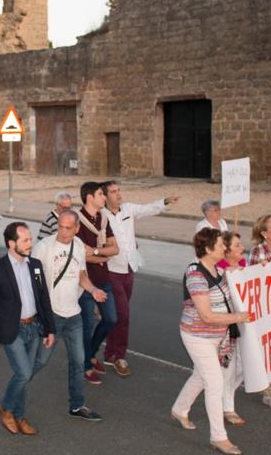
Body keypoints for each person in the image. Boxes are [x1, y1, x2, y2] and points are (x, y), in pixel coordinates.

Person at [170, 228, 248, 455]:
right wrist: (238, 317)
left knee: (201, 376)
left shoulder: (216, 269)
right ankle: (219, 438)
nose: (225, 247)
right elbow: (206, 315)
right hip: (198, 336)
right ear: (207, 248)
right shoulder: (195, 274)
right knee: (215, 382)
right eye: (221, 245)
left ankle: (179, 409)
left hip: (216, 336)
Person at [31, 210, 106, 422]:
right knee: (40, 361)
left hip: (74, 315)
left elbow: (82, 275)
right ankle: (14, 395)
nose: (63, 232)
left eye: (67, 228)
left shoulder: (79, 246)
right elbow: (32, 281)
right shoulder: (43, 247)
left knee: (78, 361)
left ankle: (77, 405)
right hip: (52, 316)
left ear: (76, 228)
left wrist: (93, 290)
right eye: (60, 227)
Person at [0, 222, 56, 436]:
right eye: (25, 240)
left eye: (30, 239)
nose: (30, 243)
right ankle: (6, 408)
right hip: (10, 330)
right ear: (11, 243)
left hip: (34, 327)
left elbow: (43, 298)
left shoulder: (35, 265)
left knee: (25, 376)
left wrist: (50, 329)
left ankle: (19, 415)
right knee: (24, 373)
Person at [101, 180, 178, 377]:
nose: (118, 194)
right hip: (110, 269)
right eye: (113, 192)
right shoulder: (101, 215)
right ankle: (119, 356)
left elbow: (148, 209)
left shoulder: (128, 209)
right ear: (105, 196)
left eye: (119, 190)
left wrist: (165, 201)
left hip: (130, 268)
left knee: (117, 315)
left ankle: (109, 351)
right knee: (123, 315)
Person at [76, 182, 118, 385]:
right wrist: (101, 254)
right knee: (87, 325)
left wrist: (94, 252)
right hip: (84, 281)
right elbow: (79, 255)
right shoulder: (77, 221)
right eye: (101, 194)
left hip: (103, 279)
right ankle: (85, 365)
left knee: (110, 319)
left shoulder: (103, 219)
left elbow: (115, 249)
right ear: (90, 197)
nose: (105, 197)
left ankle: (91, 353)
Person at [245, 213, 271, 410]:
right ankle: (269, 392)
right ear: (264, 233)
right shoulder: (257, 251)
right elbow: (251, 280)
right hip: (263, 309)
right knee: (264, 351)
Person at [217, 231, 248, 426]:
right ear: (226, 250)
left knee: (246, 366)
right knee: (229, 367)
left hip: (245, 323)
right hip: (228, 325)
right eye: (237, 245)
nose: (242, 248)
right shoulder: (219, 271)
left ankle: (223, 395)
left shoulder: (245, 267)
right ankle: (227, 407)